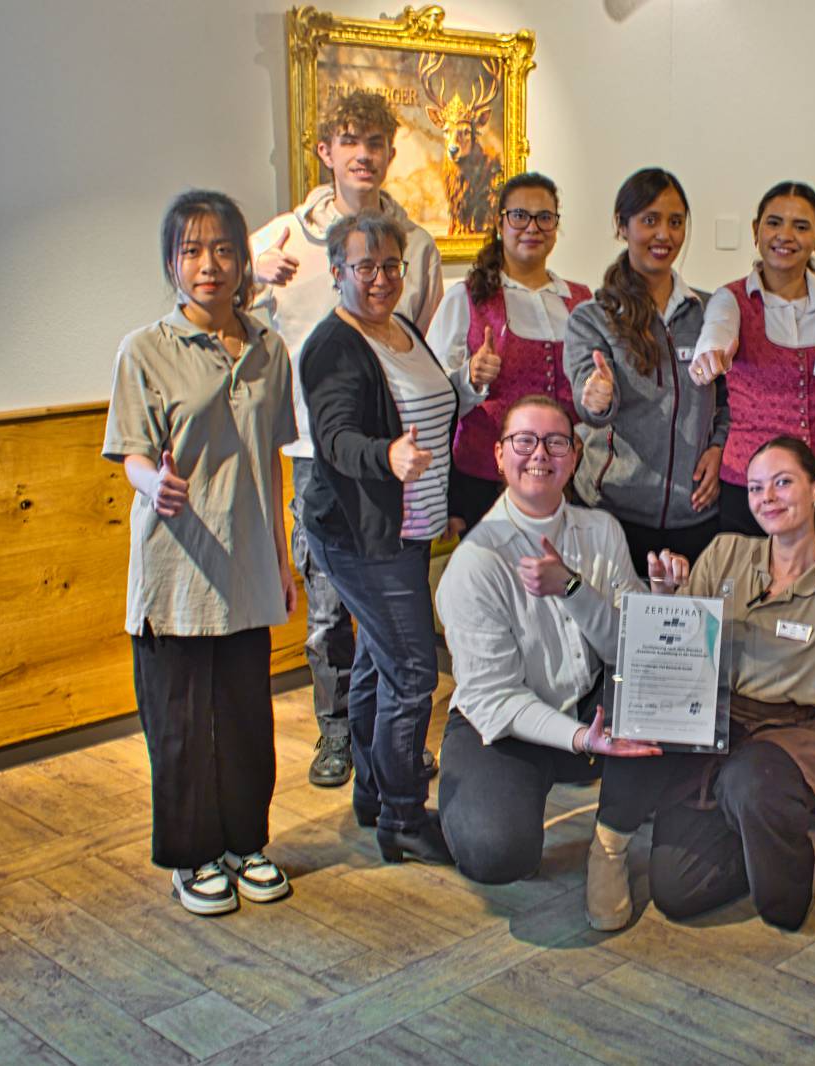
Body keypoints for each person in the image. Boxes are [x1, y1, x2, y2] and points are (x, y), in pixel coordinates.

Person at [592, 436, 815, 932]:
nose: (766, 497)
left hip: (790, 736)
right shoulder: (726, 552)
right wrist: (668, 597)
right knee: (676, 891)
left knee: (749, 784)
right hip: (715, 721)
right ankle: (747, 832)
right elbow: (681, 654)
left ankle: (785, 885)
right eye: (755, 487)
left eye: (782, 482)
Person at [103, 190, 297, 916]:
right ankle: (193, 856)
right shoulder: (144, 349)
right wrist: (155, 482)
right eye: (191, 250)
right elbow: (129, 453)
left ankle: (246, 843)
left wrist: (281, 560)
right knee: (181, 722)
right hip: (175, 566)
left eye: (221, 249)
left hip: (246, 561)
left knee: (246, 716)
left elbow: (270, 463)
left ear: (244, 260)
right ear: (171, 264)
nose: (208, 264)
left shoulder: (270, 351)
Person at [251, 88, 446, 789]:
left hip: (401, 465)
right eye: (349, 141)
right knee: (332, 608)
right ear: (325, 151)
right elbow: (225, 321)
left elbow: (412, 340)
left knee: (394, 613)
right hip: (316, 454)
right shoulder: (279, 241)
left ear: (391, 155)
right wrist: (250, 278)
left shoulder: (416, 246)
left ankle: (377, 752)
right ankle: (338, 736)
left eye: (376, 143)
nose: (363, 155)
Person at [434, 395, 663, 890]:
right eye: (524, 440)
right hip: (505, 724)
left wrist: (573, 589)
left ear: (574, 455)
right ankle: (470, 806)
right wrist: (582, 740)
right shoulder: (475, 563)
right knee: (495, 854)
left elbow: (631, 653)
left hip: (587, 706)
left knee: (661, 687)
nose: (540, 453)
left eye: (556, 442)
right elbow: (497, 695)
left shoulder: (603, 531)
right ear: (499, 455)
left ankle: (612, 838)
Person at [297, 211, 467, 866]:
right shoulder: (333, 347)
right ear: (337, 272)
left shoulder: (400, 328)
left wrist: (468, 388)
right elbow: (336, 437)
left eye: (391, 265)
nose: (380, 278)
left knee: (378, 661)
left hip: (411, 526)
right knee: (411, 672)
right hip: (364, 535)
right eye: (365, 266)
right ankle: (401, 817)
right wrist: (387, 458)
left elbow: (430, 407)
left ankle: (372, 794)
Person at [566, 167, 729, 577]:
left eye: (675, 222)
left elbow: (729, 401)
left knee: (687, 635)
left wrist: (718, 447)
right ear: (622, 226)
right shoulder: (593, 318)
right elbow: (591, 404)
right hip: (614, 513)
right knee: (611, 633)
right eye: (649, 220)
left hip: (695, 513)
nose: (664, 235)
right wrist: (597, 395)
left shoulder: (711, 312)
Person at [688, 182, 815, 545]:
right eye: (774, 223)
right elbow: (717, 330)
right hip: (750, 488)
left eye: (801, 227)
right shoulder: (731, 298)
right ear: (756, 231)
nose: (785, 235)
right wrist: (711, 353)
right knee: (747, 590)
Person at [429, 172, 592, 531]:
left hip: (565, 479)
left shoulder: (581, 300)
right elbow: (433, 397)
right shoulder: (466, 297)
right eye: (520, 216)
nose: (532, 227)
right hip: (486, 481)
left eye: (544, 218)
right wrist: (470, 377)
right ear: (501, 222)